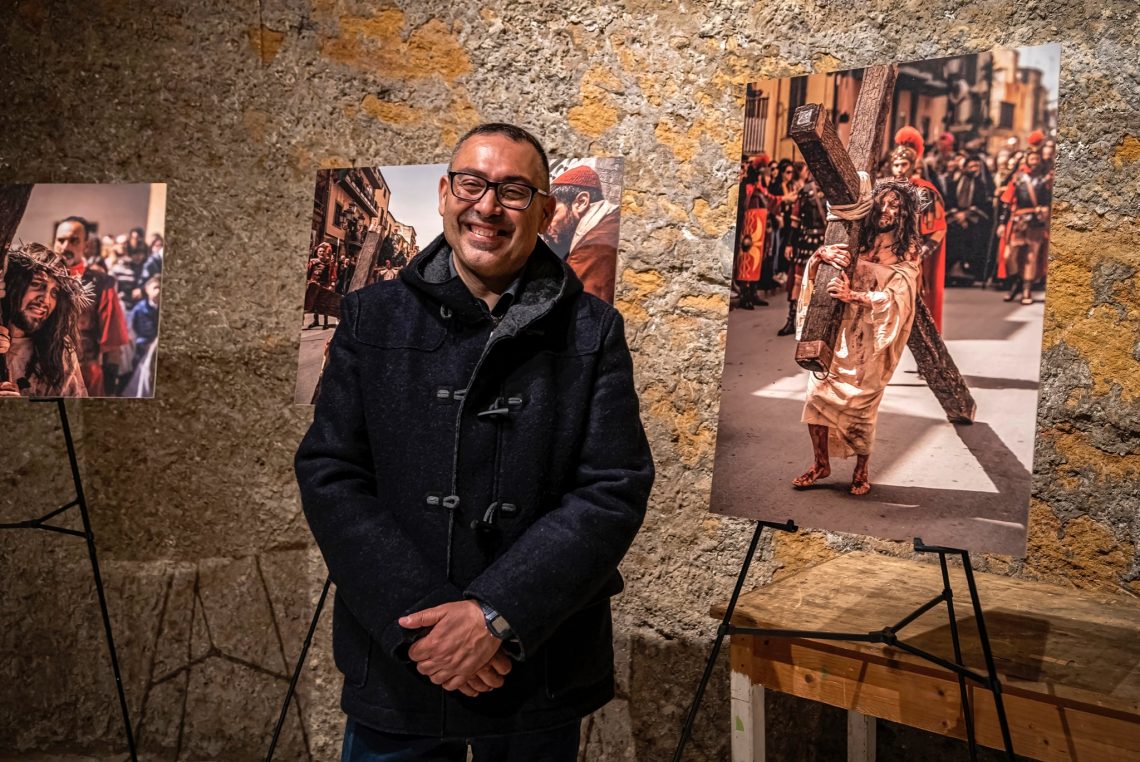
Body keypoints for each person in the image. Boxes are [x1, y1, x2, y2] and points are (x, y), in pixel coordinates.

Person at [295, 122, 654, 761]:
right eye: (472, 184)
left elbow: (612, 489)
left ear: (545, 211)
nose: (487, 207)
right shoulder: (371, 317)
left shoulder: (592, 329)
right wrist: (428, 622)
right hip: (405, 657)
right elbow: (331, 474)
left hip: (533, 663)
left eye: (514, 191)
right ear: (444, 194)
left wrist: (495, 615)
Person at [792, 181, 924, 495]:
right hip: (839, 330)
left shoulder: (907, 250)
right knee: (817, 396)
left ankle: (861, 470)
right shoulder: (856, 236)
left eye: (895, 205)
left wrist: (854, 296)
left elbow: (899, 299)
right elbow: (822, 268)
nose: (886, 210)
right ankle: (820, 464)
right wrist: (820, 256)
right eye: (882, 202)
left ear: (905, 213)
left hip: (873, 339)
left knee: (862, 407)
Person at [53, 216, 131, 397]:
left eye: (74, 241)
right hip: (41, 374)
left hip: (85, 376)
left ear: (86, 245)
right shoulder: (39, 280)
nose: (65, 247)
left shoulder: (101, 283)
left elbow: (113, 345)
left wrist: (109, 391)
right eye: (61, 240)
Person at [0, 244, 89, 398]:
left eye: (54, 292)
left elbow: (76, 410)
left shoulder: (58, 351)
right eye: (36, 284)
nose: (46, 300)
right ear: (14, 285)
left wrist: (21, 410)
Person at [891, 127, 947, 332]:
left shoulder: (924, 192)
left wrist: (919, 255)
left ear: (912, 165)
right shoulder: (885, 189)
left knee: (917, 309)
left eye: (904, 164)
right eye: (896, 165)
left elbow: (939, 229)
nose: (899, 169)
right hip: (889, 257)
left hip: (913, 258)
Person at [542, 165, 620, 303]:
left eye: (553, 213)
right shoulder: (610, 224)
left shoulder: (591, 251)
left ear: (581, 202)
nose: (544, 226)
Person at [997, 140, 1052, 305]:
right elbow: (1007, 202)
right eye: (1032, 158)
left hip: (1036, 221)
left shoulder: (1045, 179)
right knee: (1010, 255)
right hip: (1018, 221)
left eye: (1037, 158)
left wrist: (1045, 210)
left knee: (1031, 256)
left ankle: (1026, 290)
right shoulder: (1017, 179)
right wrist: (1002, 223)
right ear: (1027, 160)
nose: (1034, 161)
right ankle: (1016, 282)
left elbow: (1049, 201)